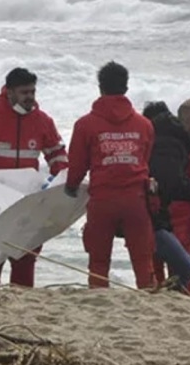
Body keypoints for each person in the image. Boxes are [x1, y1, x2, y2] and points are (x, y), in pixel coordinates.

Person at [0, 67, 69, 287]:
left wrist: (57, 176)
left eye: (32, 92)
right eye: (24, 92)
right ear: (9, 91)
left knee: (26, 254)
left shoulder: (42, 121)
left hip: (26, 200)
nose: (30, 97)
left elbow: (57, 152)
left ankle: (22, 297)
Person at [65, 61, 156, 289]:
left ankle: (99, 297)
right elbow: (145, 160)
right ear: (126, 87)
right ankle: (147, 298)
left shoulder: (85, 125)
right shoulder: (144, 125)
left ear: (100, 87)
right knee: (143, 260)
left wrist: (71, 186)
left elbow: (77, 164)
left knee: (98, 261)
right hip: (136, 200)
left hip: (102, 200)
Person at [144, 99, 190, 292]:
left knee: (163, 269)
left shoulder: (183, 151)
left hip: (174, 219)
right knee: (170, 269)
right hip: (171, 219)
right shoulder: (185, 150)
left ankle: (169, 296)